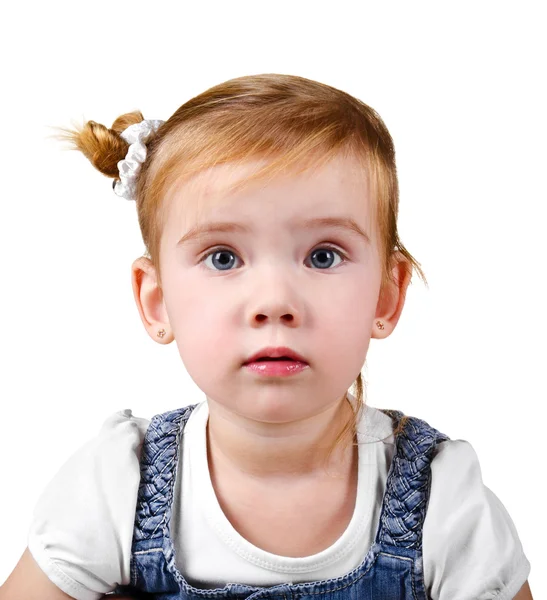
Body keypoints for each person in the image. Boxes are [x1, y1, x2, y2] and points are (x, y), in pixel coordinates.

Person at [0, 73, 533, 600]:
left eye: (323, 256)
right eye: (223, 258)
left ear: (385, 296)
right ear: (156, 301)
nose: (275, 301)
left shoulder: (444, 504)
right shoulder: (114, 489)